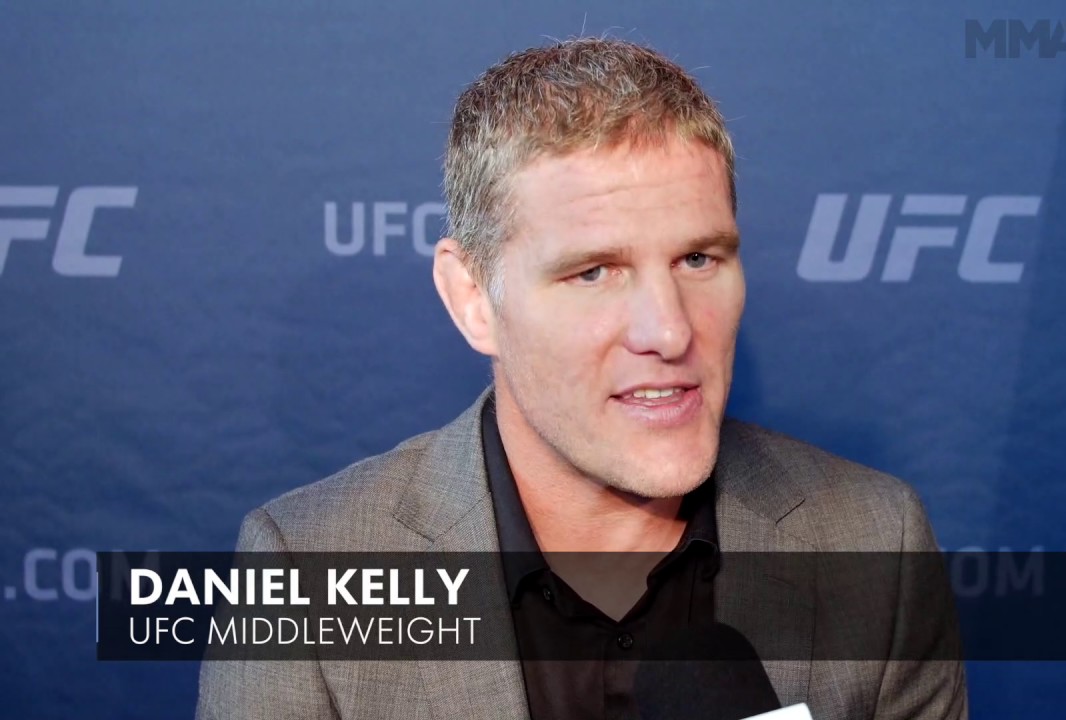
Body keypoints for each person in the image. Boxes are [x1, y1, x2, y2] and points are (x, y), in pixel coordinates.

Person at [197, 37, 967, 720]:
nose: (669, 331)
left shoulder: (875, 544)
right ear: (473, 298)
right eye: (593, 272)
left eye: (698, 258)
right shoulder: (308, 571)